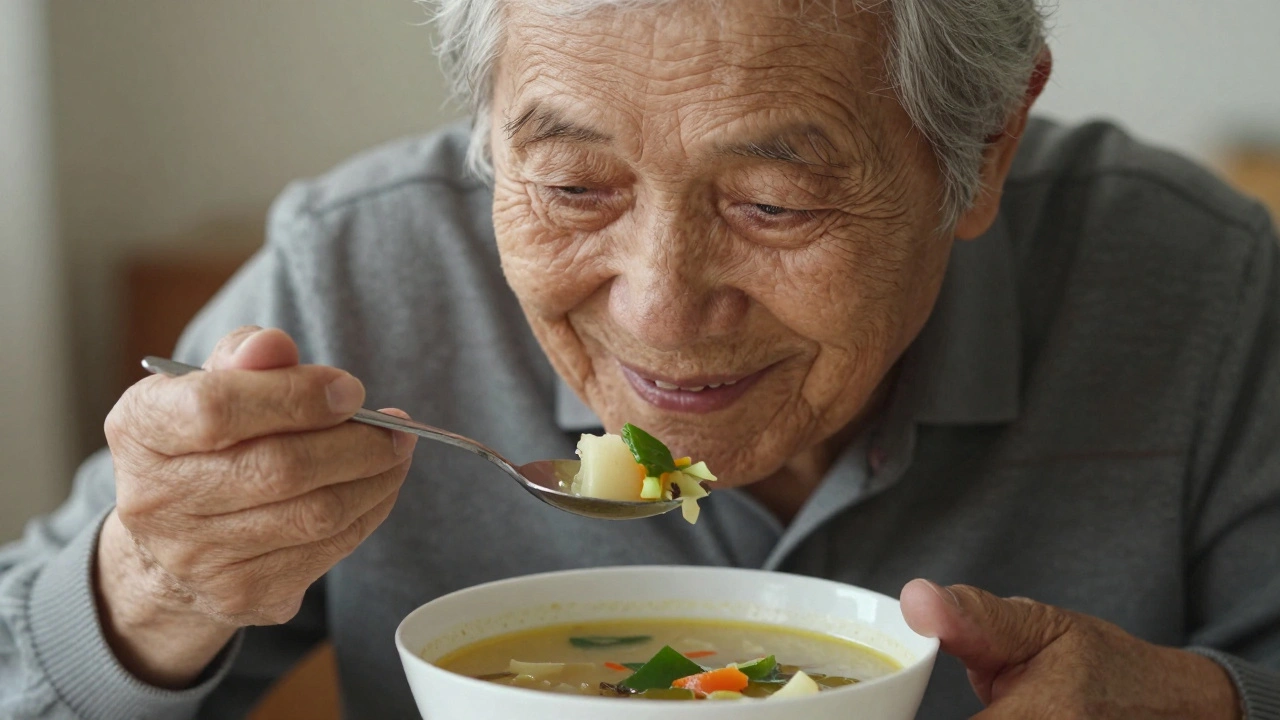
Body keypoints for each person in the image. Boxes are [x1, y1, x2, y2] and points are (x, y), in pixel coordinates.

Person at [3, 0, 1278, 717]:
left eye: (772, 205)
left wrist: (1211, 706)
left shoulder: (1201, 282)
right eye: (571, 186)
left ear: (983, 149)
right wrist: (150, 588)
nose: (660, 311)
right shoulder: (354, 274)